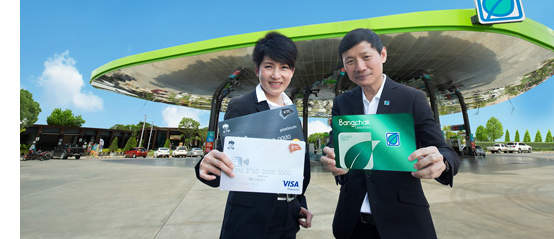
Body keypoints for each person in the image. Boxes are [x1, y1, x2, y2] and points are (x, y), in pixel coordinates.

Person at [320, 28, 460, 239]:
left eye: (366, 57)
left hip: (403, 222)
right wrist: (331, 157)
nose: (360, 67)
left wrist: (443, 162)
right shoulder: (343, 102)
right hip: (352, 222)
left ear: (383, 54)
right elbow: (335, 145)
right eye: (350, 61)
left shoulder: (412, 99)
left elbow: (446, 151)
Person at [195, 32, 314, 239]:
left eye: (284, 67)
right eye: (269, 66)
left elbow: (296, 168)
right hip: (249, 222)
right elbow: (224, 160)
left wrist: (298, 203)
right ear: (258, 69)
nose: (276, 75)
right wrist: (204, 165)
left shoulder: (292, 113)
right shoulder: (241, 106)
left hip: (288, 220)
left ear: (292, 71)